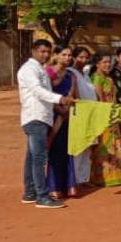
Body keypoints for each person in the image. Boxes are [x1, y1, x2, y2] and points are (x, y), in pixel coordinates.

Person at [19, 40, 75, 208]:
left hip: (41, 117)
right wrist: (60, 98)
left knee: (32, 157)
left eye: (48, 52)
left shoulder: (40, 69)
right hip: (35, 117)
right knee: (39, 157)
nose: (45, 55)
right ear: (33, 51)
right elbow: (38, 91)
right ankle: (42, 197)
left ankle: (30, 192)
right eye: (42, 51)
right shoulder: (29, 69)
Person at [45, 46, 78, 200]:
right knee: (54, 150)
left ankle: (68, 186)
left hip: (67, 117)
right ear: (56, 55)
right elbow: (45, 94)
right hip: (52, 115)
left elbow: (73, 95)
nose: (67, 58)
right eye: (64, 54)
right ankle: (53, 187)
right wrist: (60, 110)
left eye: (70, 55)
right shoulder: (47, 73)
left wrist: (67, 110)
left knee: (67, 149)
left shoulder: (71, 75)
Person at [90, 55, 121, 188]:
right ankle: (101, 177)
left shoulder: (109, 79)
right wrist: (106, 117)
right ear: (97, 64)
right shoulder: (96, 78)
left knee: (114, 145)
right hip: (103, 117)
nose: (108, 65)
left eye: (109, 62)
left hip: (113, 116)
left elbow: (114, 99)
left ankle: (116, 176)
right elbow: (100, 101)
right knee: (104, 146)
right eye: (104, 62)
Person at [69, 47, 96, 185]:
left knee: (87, 147)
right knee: (79, 148)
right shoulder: (70, 73)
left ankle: (84, 178)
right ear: (74, 57)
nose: (84, 60)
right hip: (78, 114)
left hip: (90, 114)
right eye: (80, 57)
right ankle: (75, 180)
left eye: (86, 57)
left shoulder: (85, 74)